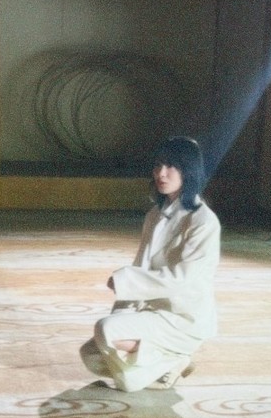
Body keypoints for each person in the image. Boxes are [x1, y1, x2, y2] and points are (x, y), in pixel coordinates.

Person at [80, 136, 220, 392]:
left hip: (183, 319)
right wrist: (122, 311)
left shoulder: (203, 221)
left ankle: (175, 357)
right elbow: (141, 265)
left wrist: (124, 281)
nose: (161, 174)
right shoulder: (155, 215)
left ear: (188, 171)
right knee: (90, 355)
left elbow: (181, 279)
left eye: (171, 166)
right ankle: (167, 364)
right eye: (158, 165)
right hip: (153, 312)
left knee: (106, 330)